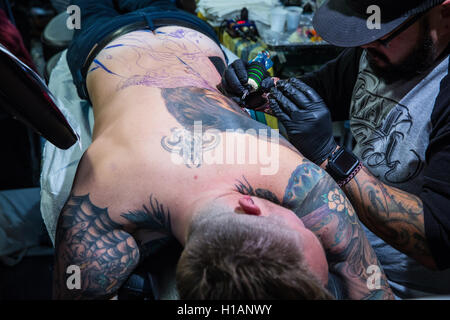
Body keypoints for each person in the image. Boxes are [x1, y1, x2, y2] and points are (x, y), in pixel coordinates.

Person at [52, 0, 394, 300]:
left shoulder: (105, 194)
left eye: (306, 230)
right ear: (253, 206)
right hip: (182, 30)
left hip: (107, 42)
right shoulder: (289, 174)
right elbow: (373, 289)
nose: (313, 226)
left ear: (252, 208)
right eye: (310, 230)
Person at [221, 0, 450, 298]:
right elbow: (317, 90)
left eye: (382, 36)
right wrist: (262, 90)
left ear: (444, 12)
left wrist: (331, 157)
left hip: (409, 289)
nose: (366, 45)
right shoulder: (374, 53)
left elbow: (436, 241)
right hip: (352, 254)